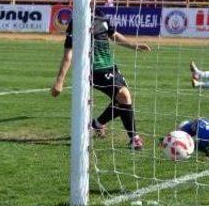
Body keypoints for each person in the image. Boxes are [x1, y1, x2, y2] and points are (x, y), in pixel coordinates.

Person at [51, 9, 151, 150]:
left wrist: (134, 46)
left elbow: (114, 35)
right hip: (92, 71)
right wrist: (59, 81)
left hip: (111, 67)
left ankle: (97, 123)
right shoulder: (77, 22)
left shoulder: (101, 16)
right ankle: (134, 139)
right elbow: (68, 53)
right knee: (123, 95)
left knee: (123, 99)